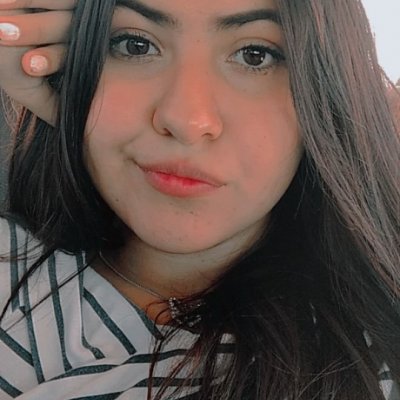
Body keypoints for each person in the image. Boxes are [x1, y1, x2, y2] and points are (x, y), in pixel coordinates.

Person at [0, 0, 399, 399]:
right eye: (135, 45)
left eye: (255, 55)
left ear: (329, 90)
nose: (187, 121)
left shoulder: (373, 358)